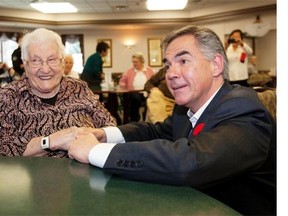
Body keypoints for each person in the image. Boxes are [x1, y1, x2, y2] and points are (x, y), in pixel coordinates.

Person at [68, 25, 276, 215]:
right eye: (168, 65)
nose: (171, 74)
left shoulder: (244, 108)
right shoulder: (186, 108)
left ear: (216, 65)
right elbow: (155, 132)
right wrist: (104, 135)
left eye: (183, 61)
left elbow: (191, 161)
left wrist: (94, 151)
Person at [0, 28, 116, 157]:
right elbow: (4, 147)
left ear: (62, 63)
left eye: (52, 59)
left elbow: (110, 127)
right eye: (36, 60)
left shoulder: (79, 88)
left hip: (87, 172)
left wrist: (92, 135)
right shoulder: (7, 96)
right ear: (25, 64)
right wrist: (49, 142)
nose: (45, 69)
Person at [119, 52, 154, 122]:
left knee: (152, 99)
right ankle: (134, 119)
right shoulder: (129, 71)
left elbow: (155, 80)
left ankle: (147, 118)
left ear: (141, 61)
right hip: (134, 92)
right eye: (133, 62)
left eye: (136, 62)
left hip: (147, 92)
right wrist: (124, 86)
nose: (134, 64)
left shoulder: (149, 70)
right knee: (135, 98)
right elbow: (122, 82)